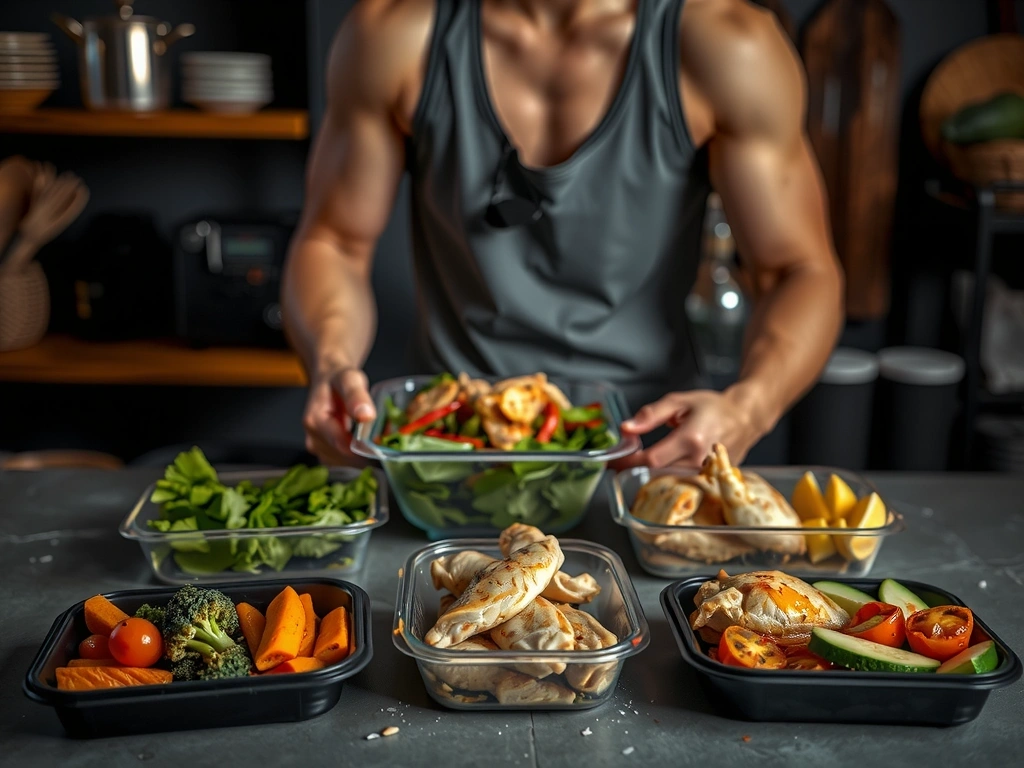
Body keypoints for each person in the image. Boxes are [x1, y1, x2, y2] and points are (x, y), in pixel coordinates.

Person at [282, 0, 844, 470]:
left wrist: (750, 406)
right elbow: (333, 242)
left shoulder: (726, 44)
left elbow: (800, 270)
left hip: (650, 450)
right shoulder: (396, 35)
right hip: (446, 450)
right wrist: (331, 360)